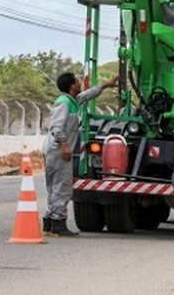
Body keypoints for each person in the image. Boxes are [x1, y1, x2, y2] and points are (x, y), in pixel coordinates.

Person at [43, 72, 118, 236]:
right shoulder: (64, 103)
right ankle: (58, 223)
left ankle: (50, 222)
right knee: (62, 186)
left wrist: (106, 85)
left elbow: (87, 95)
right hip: (58, 150)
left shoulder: (72, 101)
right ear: (71, 86)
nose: (79, 84)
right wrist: (64, 145)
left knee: (55, 186)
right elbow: (56, 127)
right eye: (77, 82)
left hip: (55, 150)